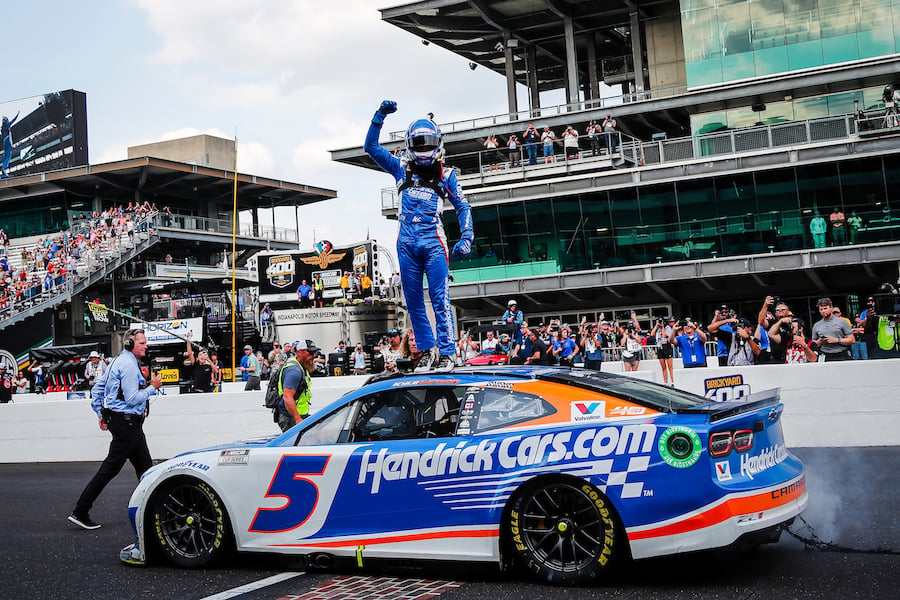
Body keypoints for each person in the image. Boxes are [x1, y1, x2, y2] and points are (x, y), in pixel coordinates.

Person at [365, 100, 474, 371]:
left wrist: (467, 236)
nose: (425, 150)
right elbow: (371, 148)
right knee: (413, 302)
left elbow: (463, 205)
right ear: (410, 145)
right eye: (419, 144)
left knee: (440, 299)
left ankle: (448, 353)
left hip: (433, 242)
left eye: (429, 144)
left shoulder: (447, 174)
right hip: (406, 243)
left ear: (438, 143)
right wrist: (379, 117)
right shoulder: (401, 168)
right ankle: (426, 351)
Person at [68, 329, 162, 530]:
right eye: (142, 343)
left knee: (145, 469)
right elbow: (132, 398)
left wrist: (101, 413)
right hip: (127, 424)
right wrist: (153, 387)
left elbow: (98, 389)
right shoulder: (128, 365)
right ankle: (80, 510)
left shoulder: (118, 362)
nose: (146, 346)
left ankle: (156, 510)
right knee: (111, 469)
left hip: (126, 423)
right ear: (129, 344)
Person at [274, 340, 318, 432]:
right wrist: (298, 419)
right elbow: (287, 396)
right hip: (291, 418)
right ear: (301, 352)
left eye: (315, 352)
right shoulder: (294, 371)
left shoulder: (301, 368)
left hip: (299, 416)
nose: (314, 356)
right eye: (310, 352)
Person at [651, 316, 675, 385]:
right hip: (660, 347)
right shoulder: (657, 329)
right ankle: (666, 382)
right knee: (663, 366)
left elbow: (664, 335)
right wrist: (656, 325)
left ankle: (673, 381)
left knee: (670, 366)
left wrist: (662, 326)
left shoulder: (667, 328)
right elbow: (652, 334)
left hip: (666, 346)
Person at [1, 111, 20, 177]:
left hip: (4, 142)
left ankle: (3, 168)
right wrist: (17, 115)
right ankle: (4, 168)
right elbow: (13, 121)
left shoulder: (2, 128)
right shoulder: (6, 125)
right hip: (8, 141)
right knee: (8, 155)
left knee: (5, 156)